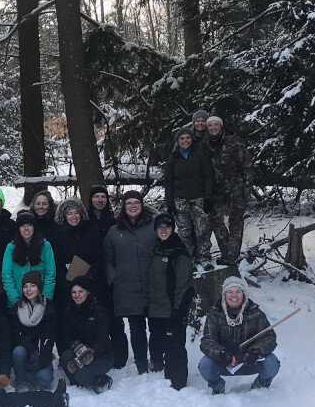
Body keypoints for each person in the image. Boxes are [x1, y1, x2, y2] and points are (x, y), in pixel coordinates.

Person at [103, 190, 157, 374]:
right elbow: (107, 259)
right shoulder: (114, 231)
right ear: (123, 207)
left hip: (153, 286)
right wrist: (114, 278)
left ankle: (157, 360)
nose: (132, 206)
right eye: (128, 203)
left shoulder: (154, 227)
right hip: (127, 288)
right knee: (136, 328)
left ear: (142, 205)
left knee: (156, 326)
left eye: (136, 202)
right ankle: (141, 362)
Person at [199, 277, 280, 394]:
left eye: (238, 292)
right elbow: (207, 341)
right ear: (224, 294)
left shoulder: (256, 313)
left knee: (272, 362)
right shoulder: (215, 314)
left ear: (244, 294)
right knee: (205, 364)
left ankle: (260, 388)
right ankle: (217, 386)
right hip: (225, 361)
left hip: (250, 360)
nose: (234, 296)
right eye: (230, 292)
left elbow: (269, 338)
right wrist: (221, 353)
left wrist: (256, 352)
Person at [146, 213, 194, 390]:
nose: (163, 230)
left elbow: (183, 285)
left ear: (173, 229)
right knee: (157, 343)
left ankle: (178, 382)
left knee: (175, 347)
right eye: (159, 227)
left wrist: (178, 310)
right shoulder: (155, 250)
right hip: (155, 309)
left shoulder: (179, 253)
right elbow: (150, 280)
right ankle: (159, 372)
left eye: (167, 227)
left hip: (172, 310)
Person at [85, 184, 127, 368]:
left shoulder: (114, 221)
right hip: (91, 275)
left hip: (110, 276)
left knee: (114, 317)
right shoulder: (85, 221)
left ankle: (120, 356)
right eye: (96, 197)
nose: (100, 200)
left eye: (103, 197)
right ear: (91, 200)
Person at [206, 116, 253, 265]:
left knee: (235, 221)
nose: (213, 128)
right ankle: (226, 251)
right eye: (210, 125)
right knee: (215, 219)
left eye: (216, 125)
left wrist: (247, 187)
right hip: (217, 190)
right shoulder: (206, 144)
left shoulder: (234, 142)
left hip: (236, 188)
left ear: (221, 126)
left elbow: (247, 166)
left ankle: (233, 254)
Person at [165, 127, 214, 270]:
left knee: (203, 229)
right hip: (180, 200)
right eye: (182, 138)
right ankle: (189, 258)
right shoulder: (172, 159)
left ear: (191, 139)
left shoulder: (199, 155)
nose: (185, 141)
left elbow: (208, 177)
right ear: (177, 141)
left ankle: (204, 257)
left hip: (199, 198)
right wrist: (169, 204)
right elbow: (168, 183)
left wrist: (208, 198)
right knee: (184, 232)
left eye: (188, 138)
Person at [58, 276, 114, 393]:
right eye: (74, 292)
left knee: (82, 375)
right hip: (79, 350)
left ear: (88, 292)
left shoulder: (99, 310)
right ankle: (78, 385)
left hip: (101, 355)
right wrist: (77, 346)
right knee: (65, 357)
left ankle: (102, 380)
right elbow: (66, 334)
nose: (77, 295)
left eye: (80, 291)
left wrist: (89, 352)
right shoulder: (69, 311)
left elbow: (103, 338)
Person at [52, 198, 103, 314]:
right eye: (69, 213)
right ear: (64, 216)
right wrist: (64, 280)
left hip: (91, 283)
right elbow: (57, 260)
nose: (73, 216)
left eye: (76, 213)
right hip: (67, 285)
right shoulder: (59, 235)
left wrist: (91, 277)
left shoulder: (91, 231)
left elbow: (99, 257)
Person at [9, 270, 57, 391]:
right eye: (25, 286)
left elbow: (49, 338)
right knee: (18, 351)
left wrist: (42, 359)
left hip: (42, 354)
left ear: (39, 287)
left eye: (32, 285)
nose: (28, 289)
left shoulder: (49, 308)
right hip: (25, 353)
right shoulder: (16, 309)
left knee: (44, 378)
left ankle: (35, 375)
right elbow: (16, 336)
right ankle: (21, 381)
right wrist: (32, 351)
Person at [1, 210, 55, 308]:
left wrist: (45, 299)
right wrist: (15, 301)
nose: (26, 229)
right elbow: (7, 276)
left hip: (40, 300)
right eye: (22, 225)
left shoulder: (45, 246)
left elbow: (50, 275)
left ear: (34, 227)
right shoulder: (10, 248)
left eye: (29, 225)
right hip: (18, 300)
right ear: (18, 229)